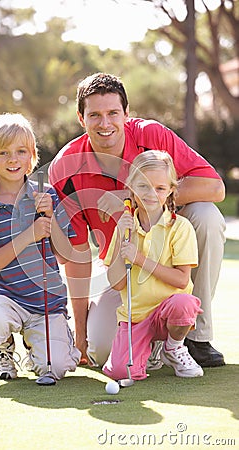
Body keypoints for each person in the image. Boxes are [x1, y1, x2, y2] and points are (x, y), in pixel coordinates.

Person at [48, 72, 226, 368]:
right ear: (81, 119)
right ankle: (150, 339)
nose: (105, 124)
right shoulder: (65, 169)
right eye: (95, 115)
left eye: (113, 113)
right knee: (102, 351)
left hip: (171, 256)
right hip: (124, 271)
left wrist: (130, 199)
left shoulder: (151, 135)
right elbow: (77, 255)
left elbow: (214, 187)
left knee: (206, 215)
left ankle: (197, 337)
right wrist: (80, 340)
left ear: (126, 114)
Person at [0, 113, 81, 382]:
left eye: (21, 151)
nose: (13, 159)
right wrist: (29, 234)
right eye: (3, 152)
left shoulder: (47, 195)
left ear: (32, 156)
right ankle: (2, 347)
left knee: (57, 366)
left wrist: (51, 219)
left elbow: (64, 256)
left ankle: (40, 344)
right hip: (4, 298)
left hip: (45, 303)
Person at [102, 150, 203, 380]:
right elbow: (117, 283)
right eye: (143, 186)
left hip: (169, 312)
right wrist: (122, 246)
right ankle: (150, 349)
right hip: (136, 316)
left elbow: (181, 280)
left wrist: (139, 259)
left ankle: (173, 346)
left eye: (159, 188)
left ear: (170, 191)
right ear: (131, 187)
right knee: (120, 372)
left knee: (184, 303)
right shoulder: (125, 226)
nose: (150, 194)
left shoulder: (180, 227)